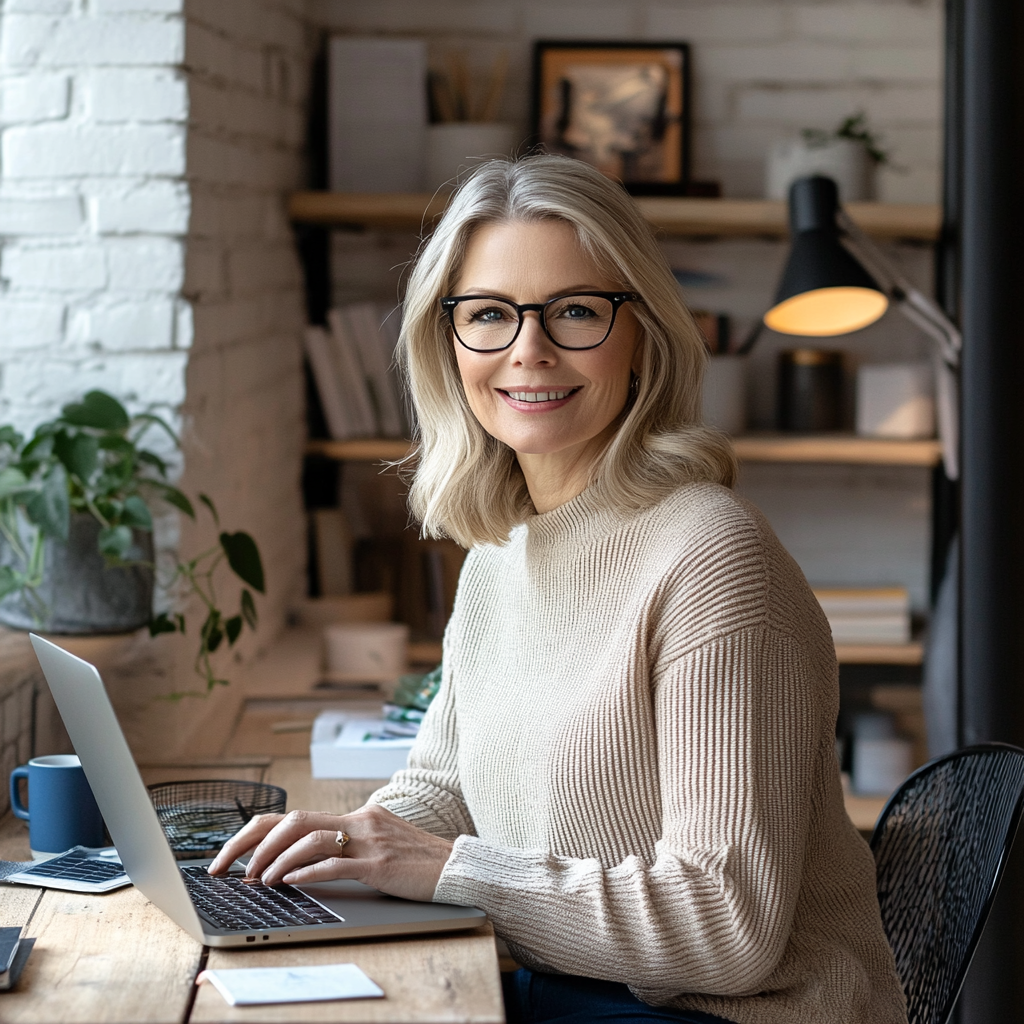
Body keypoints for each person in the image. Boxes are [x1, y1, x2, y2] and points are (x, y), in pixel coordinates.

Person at [210, 156, 907, 1024]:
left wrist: (441, 868)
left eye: (576, 311)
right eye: (490, 315)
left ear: (643, 334)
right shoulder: (501, 551)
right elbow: (444, 789)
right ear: (448, 338)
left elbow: (727, 926)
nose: (527, 350)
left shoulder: (713, 558)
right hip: (567, 982)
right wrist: (338, 845)